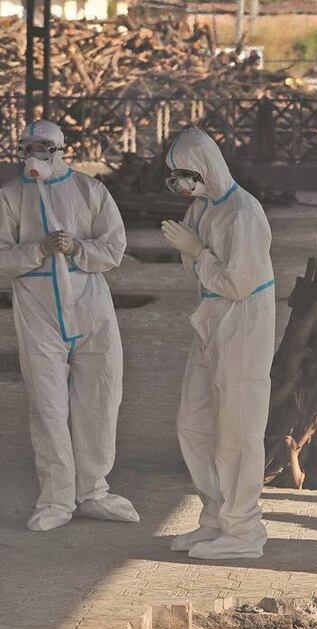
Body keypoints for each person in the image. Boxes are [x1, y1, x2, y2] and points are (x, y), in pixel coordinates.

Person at [0, 120, 136, 531]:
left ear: (61, 149)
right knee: (48, 407)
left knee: (101, 399)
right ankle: (56, 498)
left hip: (90, 305)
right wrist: (36, 250)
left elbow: (113, 247)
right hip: (39, 310)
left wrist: (78, 247)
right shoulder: (10, 196)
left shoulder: (90, 191)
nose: (33, 155)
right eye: (27, 147)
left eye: (42, 147)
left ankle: (93, 491)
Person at [160, 127, 275, 559]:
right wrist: (195, 250)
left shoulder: (243, 212)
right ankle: (215, 517)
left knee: (238, 428)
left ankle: (243, 529)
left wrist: (197, 251)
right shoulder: (203, 208)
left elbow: (238, 282)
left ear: (205, 167)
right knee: (193, 422)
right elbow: (197, 269)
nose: (181, 186)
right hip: (211, 317)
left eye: (184, 175)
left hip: (243, 321)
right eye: (173, 179)